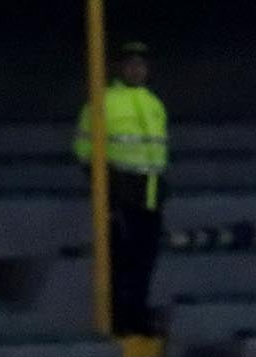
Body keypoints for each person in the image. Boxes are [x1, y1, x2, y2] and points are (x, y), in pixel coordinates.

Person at [73, 41, 169, 337]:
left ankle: (137, 316)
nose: (136, 69)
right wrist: (107, 191)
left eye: (141, 64)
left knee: (144, 261)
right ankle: (119, 320)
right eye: (130, 63)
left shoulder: (153, 103)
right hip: (121, 191)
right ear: (120, 67)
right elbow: (84, 149)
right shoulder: (103, 102)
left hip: (150, 192)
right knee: (121, 260)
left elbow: (157, 154)